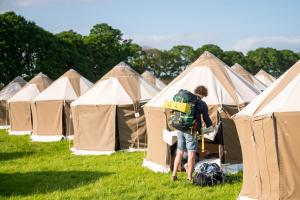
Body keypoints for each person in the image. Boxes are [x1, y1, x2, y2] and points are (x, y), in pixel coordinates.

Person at [171, 85, 212, 182]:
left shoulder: (185, 99)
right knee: (191, 153)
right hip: (190, 130)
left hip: (180, 128)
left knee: (180, 152)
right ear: (203, 94)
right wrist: (210, 126)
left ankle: (174, 175)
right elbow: (206, 118)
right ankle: (189, 177)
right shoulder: (201, 103)